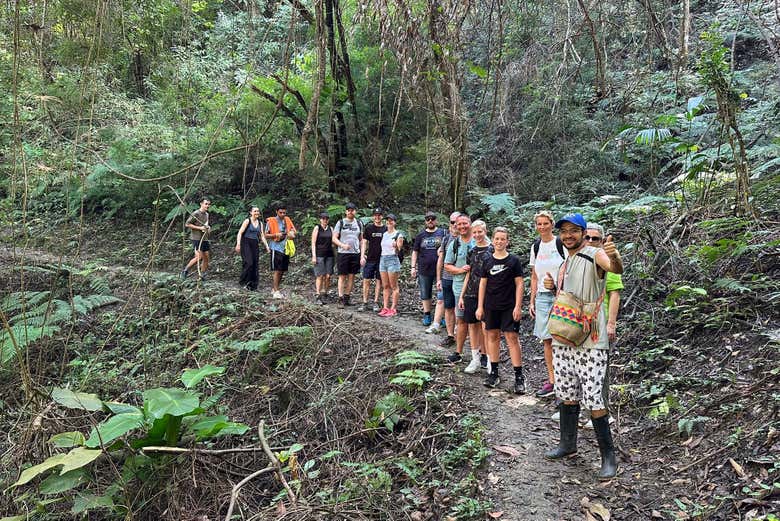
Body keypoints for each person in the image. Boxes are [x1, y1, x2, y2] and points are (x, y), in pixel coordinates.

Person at [543, 213, 623, 480]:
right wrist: (552, 285)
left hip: (591, 339)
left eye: (573, 230)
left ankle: (608, 457)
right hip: (564, 337)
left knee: (593, 397)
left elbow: (614, 268)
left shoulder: (594, 254)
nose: (568, 235)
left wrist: (613, 255)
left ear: (583, 231)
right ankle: (568, 443)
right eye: (563, 231)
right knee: (566, 390)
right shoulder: (566, 261)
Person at [580, 222, 623, 429]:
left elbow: (614, 293)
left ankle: (603, 412)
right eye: (586, 237)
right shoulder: (579, 258)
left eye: (594, 238)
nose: (589, 241)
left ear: (602, 241)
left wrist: (611, 323)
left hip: (601, 322)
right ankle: (587, 409)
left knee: (601, 369)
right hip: (581, 324)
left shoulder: (606, 260)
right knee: (584, 367)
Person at [476, 227, 526, 394]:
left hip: (509, 306)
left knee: (512, 337)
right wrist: (480, 306)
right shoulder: (487, 261)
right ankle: (494, 372)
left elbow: (519, 284)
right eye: (496, 239)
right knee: (492, 336)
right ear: (493, 240)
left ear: (507, 241)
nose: (499, 242)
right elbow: (483, 284)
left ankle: (519, 376)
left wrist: (518, 306)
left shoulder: (513, 261)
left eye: (502, 239)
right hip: (491, 305)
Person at [528, 210, 567, 398]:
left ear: (552, 224)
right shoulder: (536, 247)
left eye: (545, 223)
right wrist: (532, 300)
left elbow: (569, 268)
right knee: (547, 339)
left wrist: (559, 287)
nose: (542, 227)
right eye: (539, 224)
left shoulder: (560, 244)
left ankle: (565, 380)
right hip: (542, 297)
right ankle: (552, 381)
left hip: (561, 295)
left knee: (563, 337)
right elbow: (534, 275)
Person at [458, 220, 491, 374]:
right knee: (472, 325)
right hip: (471, 292)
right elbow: (468, 274)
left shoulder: (491, 250)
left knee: (486, 327)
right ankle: (475, 359)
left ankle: (491, 360)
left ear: (485, 231)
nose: (477, 235)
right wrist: (462, 296)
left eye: (480, 232)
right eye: (475, 232)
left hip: (487, 294)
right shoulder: (472, 251)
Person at [444, 214, 475, 363]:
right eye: (459, 224)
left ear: (470, 224)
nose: (462, 227)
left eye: (465, 223)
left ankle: (482, 354)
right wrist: (461, 270)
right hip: (459, 287)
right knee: (461, 319)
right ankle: (458, 352)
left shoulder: (480, 240)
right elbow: (447, 265)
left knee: (479, 322)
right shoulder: (454, 244)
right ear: (455, 226)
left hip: (477, 287)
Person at [429, 212, 461, 346]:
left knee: (459, 308)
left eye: (457, 222)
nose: (454, 225)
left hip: (461, 279)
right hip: (447, 278)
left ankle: (459, 332)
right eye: (452, 222)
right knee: (448, 306)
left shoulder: (467, 239)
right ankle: (450, 335)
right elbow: (440, 260)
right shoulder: (446, 239)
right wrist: (439, 278)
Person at [411, 212, 446, 326]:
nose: (430, 221)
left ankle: (441, 315)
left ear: (436, 220)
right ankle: (427, 314)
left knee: (441, 293)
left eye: (432, 219)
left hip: (441, 269)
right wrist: (413, 267)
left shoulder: (443, 233)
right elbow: (415, 251)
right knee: (425, 292)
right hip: (424, 268)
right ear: (425, 221)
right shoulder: (420, 235)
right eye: (428, 219)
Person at [333, 203, 363, 308]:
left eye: (352, 210)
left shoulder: (359, 223)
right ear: (346, 212)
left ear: (355, 211)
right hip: (343, 253)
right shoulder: (340, 222)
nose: (350, 212)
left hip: (355, 253)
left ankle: (347, 297)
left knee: (351, 276)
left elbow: (361, 239)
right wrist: (342, 245)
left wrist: (363, 253)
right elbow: (334, 238)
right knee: (342, 276)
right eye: (348, 210)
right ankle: (340, 298)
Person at [264, 202, 297, 299]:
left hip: (285, 248)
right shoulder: (271, 221)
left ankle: (275, 288)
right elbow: (265, 235)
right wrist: (275, 235)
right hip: (276, 247)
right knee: (277, 270)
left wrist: (291, 233)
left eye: (284, 213)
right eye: (281, 213)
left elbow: (294, 231)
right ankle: (276, 291)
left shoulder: (287, 219)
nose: (282, 215)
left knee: (282, 270)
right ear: (276, 212)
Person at [360, 208, 386, 312]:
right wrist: (362, 255)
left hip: (382, 258)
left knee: (379, 281)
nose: (377, 217)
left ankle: (375, 302)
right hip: (370, 258)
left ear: (382, 216)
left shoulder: (385, 229)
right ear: (373, 216)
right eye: (375, 215)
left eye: (379, 215)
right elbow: (364, 242)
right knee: (366, 280)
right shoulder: (369, 228)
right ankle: (365, 302)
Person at [378, 213, 404, 316]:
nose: (389, 222)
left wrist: (396, 245)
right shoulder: (384, 234)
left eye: (391, 220)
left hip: (392, 259)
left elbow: (399, 249)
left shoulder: (398, 234)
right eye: (388, 220)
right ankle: (385, 307)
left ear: (394, 222)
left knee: (394, 286)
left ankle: (393, 308)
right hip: (383, 259)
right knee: (385, 285)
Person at [182, 198, 211, 280]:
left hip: (204, 238)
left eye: (208, 204)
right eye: (206, 204)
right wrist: (199, 227)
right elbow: (187, 224)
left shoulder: (207, 214)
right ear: (201, 204)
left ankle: (202, 275)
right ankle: (185, 271)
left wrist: (208, 228)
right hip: (196, 238)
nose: (207, 206)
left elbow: (205, 225)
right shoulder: (196, 213)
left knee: (206, 258)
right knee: (199, 257)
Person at [235, 206, 262, 290]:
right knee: (248, 262)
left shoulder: (260, 223)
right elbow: (240, 233)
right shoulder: (247, 221)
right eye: (255, 211)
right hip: (246, 242)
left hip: (255, 244)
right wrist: (238, 244)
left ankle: (253, 285)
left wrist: (267, 247)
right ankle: (243, 282)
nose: (257, 213)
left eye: (258, 211)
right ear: (251, 212)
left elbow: (262, 236)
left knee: (255, 264)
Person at [311, 211, 335, 304]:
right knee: (320, 275)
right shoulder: (317, 228)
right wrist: (314, 256)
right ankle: (318, 295)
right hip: (319, 254)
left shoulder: (331, 229)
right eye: (323, 218)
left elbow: (334, 241)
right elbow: (313, 242)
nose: (325, 220)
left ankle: (325, 292)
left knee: (328, 276)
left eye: (326, 219)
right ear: (320, 219)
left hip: (329, 254)